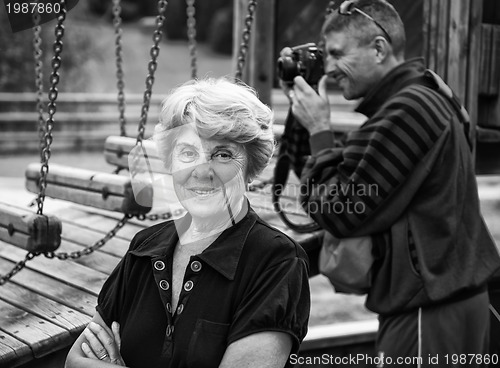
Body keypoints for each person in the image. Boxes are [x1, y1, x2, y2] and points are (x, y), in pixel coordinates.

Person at [281, 0, 500, 366]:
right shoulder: (422, 97)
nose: (329, 67)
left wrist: (319, 130)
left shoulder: (407, 111)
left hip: (427, 315)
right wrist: (288, 257)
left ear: (379, 48)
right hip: (450, 304)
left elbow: (340, 212)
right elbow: (371, 204)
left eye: (337, 54)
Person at [65, 77, 310, 368]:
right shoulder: (145, 247)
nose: (201, 171)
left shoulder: (278, 262)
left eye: (222, 154)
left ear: (251, 168)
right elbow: (74, 362)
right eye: (188, 153)